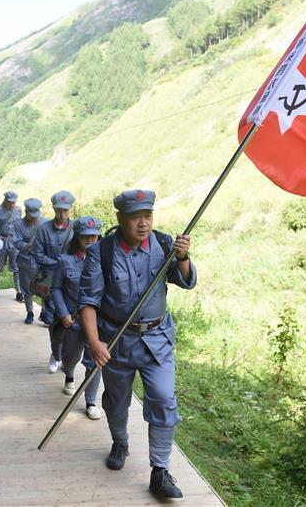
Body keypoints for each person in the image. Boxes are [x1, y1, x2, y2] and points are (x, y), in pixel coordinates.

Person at [78, 189, 196, 499]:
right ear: (120, 219)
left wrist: (182, 257)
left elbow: (185, 281)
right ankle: (120, 441)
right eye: (135, 217)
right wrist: (94, 342)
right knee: (116, 402)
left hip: (157, 339)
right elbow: (88, 302)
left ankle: (160, 469)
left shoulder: (164, 244)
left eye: (147, 216)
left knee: (163, 398)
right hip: (117, 338)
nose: (143, 224)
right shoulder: (101, 252)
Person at [50, 215, 103, 420]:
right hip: (72, 321)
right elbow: (55, 288)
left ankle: (91, 402)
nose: (90, 241)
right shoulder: (65, 261)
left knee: (95, 361)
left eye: (94, 236)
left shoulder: (105, 261)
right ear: (77, 237)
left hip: (97, 322)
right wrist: (63, 314)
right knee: (71, 356)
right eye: (85, 237)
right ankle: (69, 376)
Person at [33, 190, 77, 372]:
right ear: (54, 209)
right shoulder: (43, 228)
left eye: (65, 211)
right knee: (53, 320)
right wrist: (57, 262)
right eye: (59, 210)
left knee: (72, 321)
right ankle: (56, 355)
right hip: (50, 281)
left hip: (72, 283)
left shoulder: (76, 229)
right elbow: (38, 254)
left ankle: (68, 358)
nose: (62, 214)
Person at [10, 198, 45, 325]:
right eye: (31, 216)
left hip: (42, 261)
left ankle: (44, 312)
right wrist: (27, 246)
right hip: (25, 260)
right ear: (26, 212)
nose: (34, 218)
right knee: (27, 287)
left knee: (44, 287)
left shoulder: (44, 223)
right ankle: (29, 312)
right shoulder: (19, 225)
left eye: (36, 215)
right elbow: (16, 242)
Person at [0, 191, 23, 302]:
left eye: (14, 202)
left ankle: (19, 291)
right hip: (1, 240)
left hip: (14, 241)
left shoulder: (18, 210)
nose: (12, 205)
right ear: (5, 201)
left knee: (17, 267)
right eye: (10, 202)